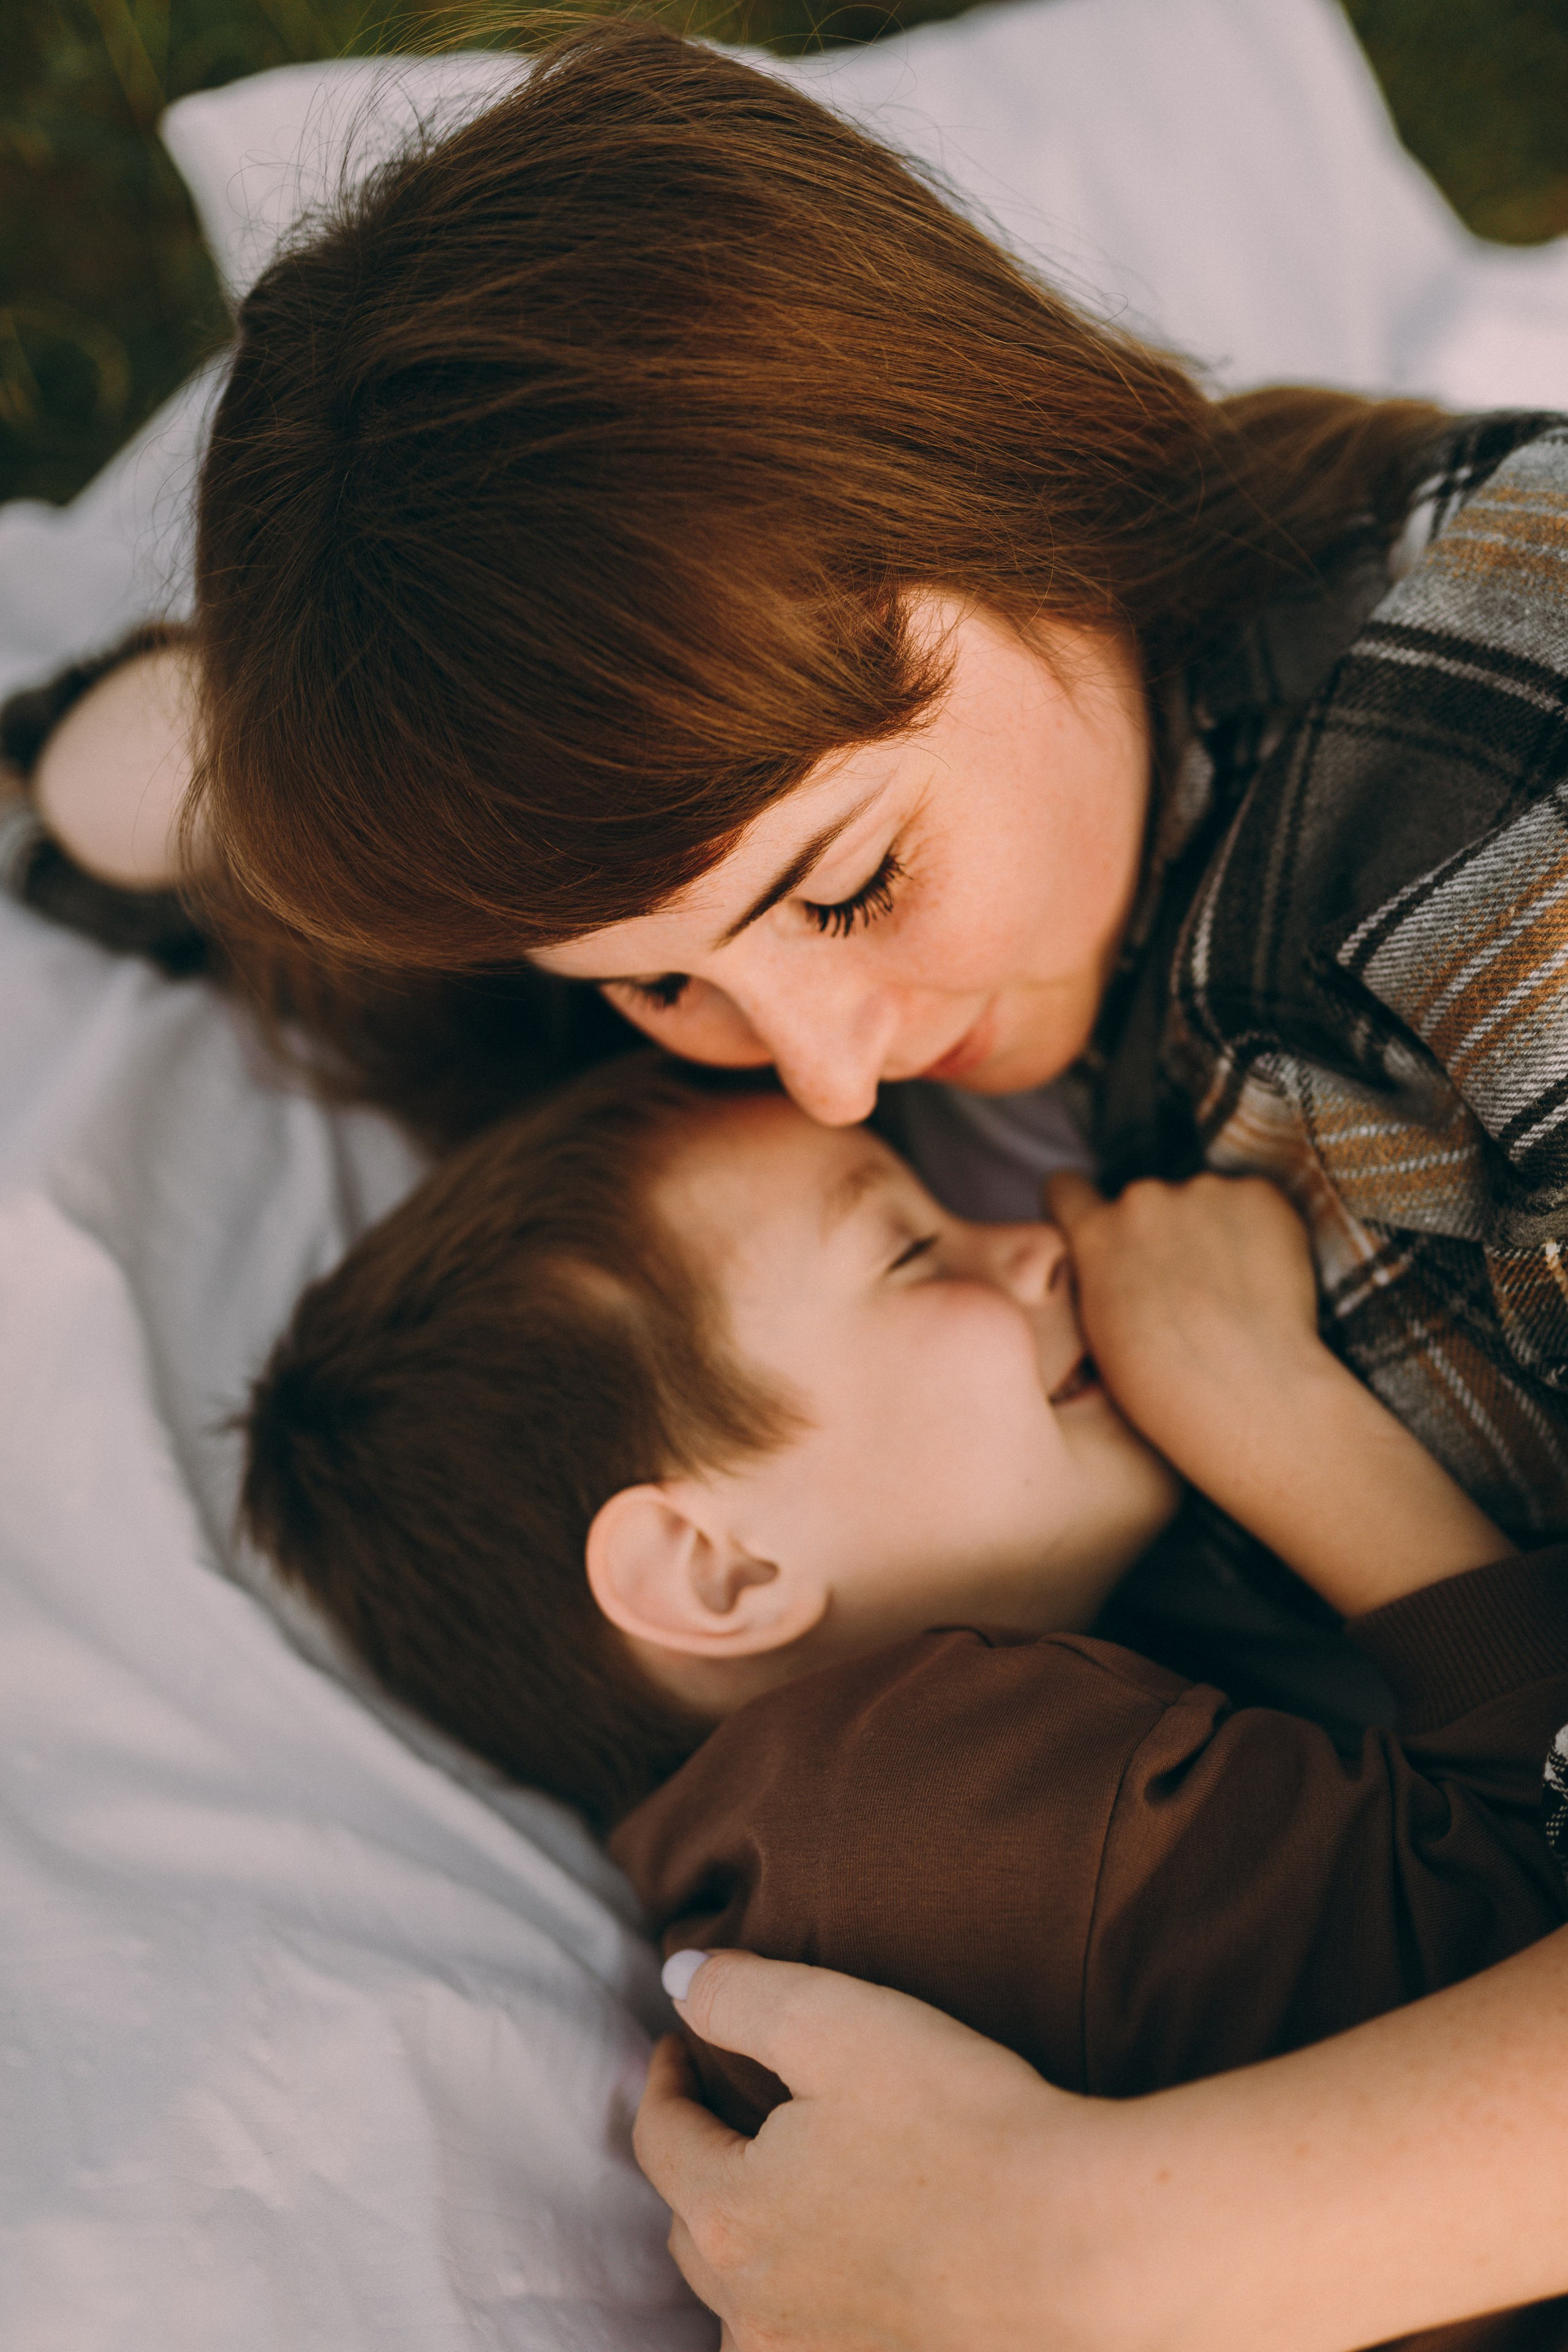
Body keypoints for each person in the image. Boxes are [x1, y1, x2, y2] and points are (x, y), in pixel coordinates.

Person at [9, 20, 1568, 2342]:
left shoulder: (1487, 796)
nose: (829, 1075)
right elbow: (86, 803)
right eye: (652, 981)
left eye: (847, 885)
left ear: (997, 471)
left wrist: (1100, 2254)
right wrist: (439, 690)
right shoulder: (803, 922)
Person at [238, 1050, 1568, 2248]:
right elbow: (1530, 1895)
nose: (1041, 1237)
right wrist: (1270, 1410)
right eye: (909, 1254)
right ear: (721, 1570)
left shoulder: (799, 1864)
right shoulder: (953, 1807)